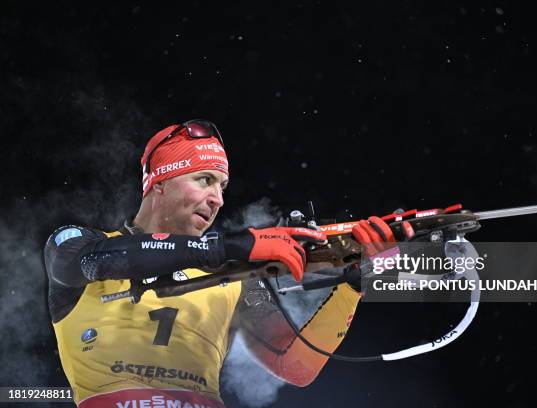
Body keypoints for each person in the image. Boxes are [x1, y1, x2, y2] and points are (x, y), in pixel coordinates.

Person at [44, 119, 401, 407]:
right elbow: (94, 262)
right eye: (205, 180)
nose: (216, 199)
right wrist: (231, 247)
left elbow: (295, 367)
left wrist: (354, 285)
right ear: (160, 183)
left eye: (222, 187)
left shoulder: (232, 277)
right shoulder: (82, 244)